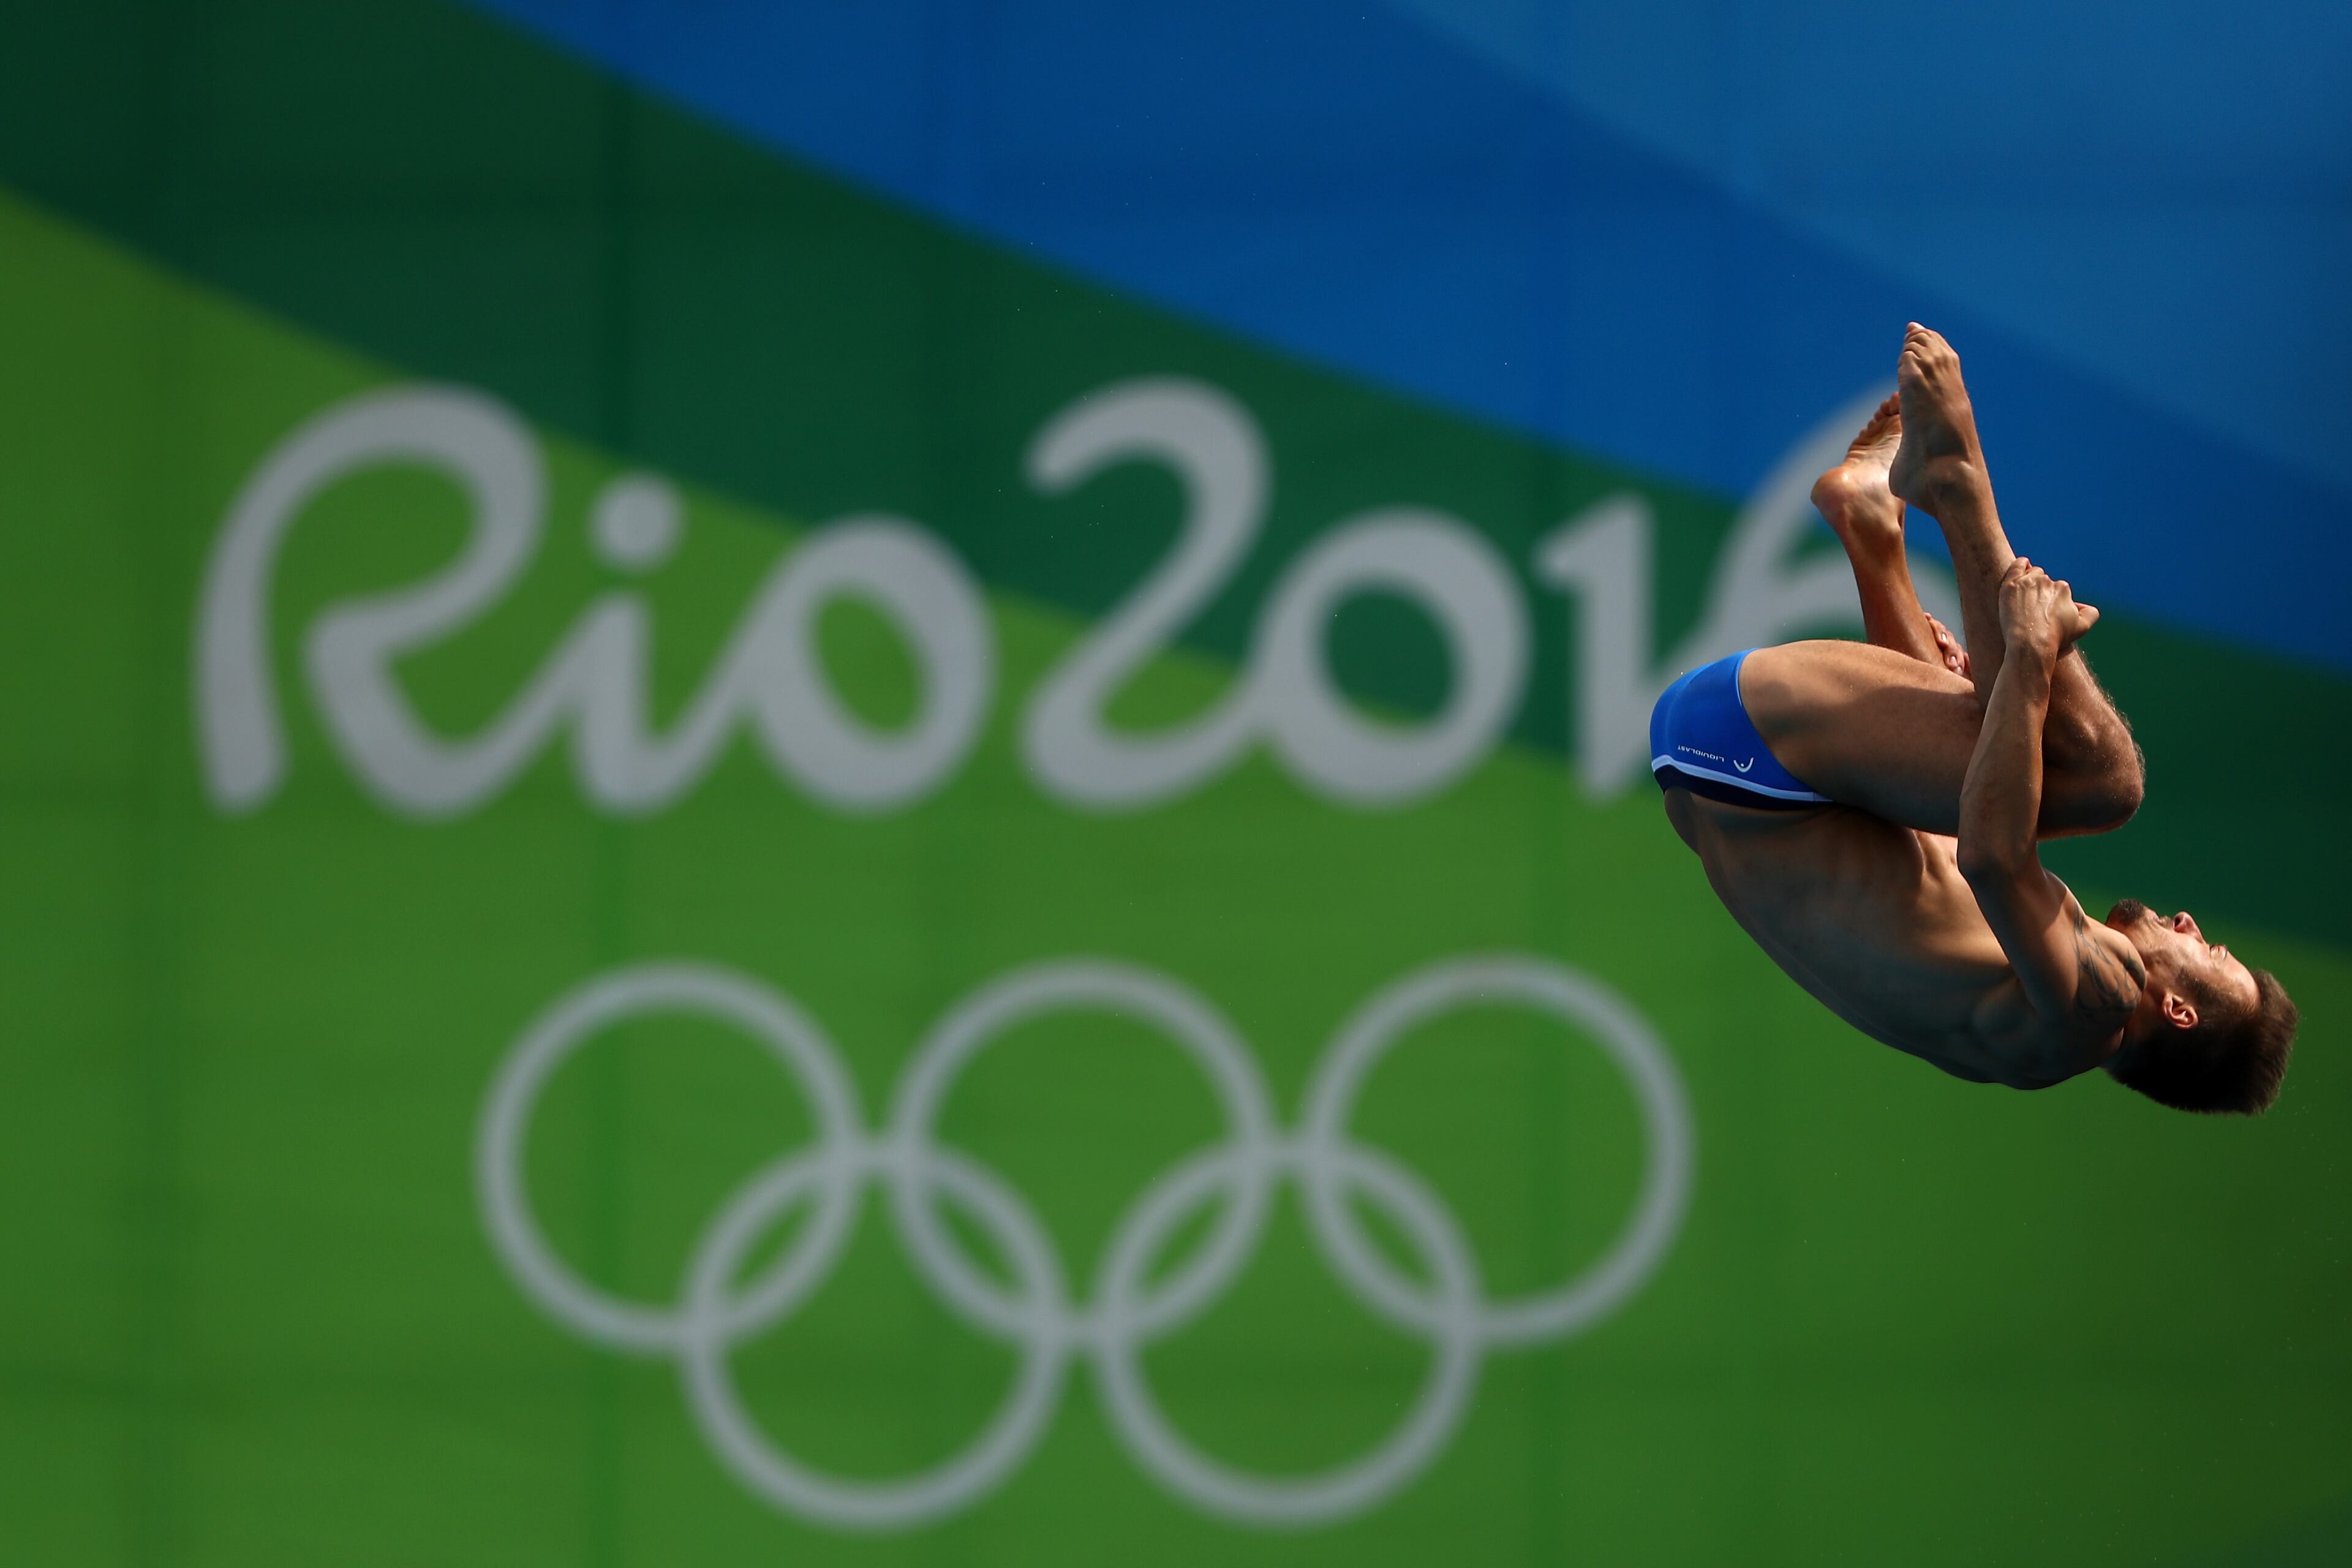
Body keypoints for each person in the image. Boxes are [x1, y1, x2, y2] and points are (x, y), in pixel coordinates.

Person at [1654, 325, 2297, 1111]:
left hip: (1755, 750)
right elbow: (1933, 847)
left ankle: (1956, 479)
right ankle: (1871, 530)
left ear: (2180, 1011)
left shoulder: (2103, 998)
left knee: (2103, 781)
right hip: (1718, 772)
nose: (2193, 922)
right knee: (1999, 746)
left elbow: (1991, 859)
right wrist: (1978, 696)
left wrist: (2029, 656)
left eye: (2210, 950)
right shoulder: (2025, 1040)